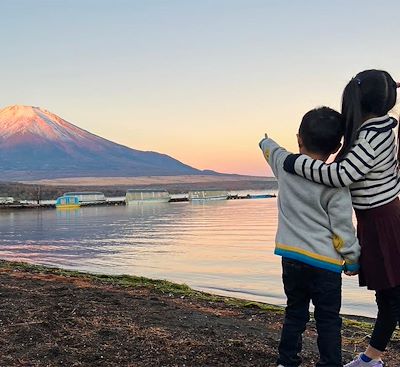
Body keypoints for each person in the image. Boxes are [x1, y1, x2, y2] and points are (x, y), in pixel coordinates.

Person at [283, 70, 400, 367]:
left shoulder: (372, 134)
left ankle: (372, 359)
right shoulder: (376, 127)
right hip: (379, 217)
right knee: (388, 294)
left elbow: (341, 175)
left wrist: (294, 163)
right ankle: (372, 357)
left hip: (381, 220)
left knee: (392, 294)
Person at [259, 107, 360, 367]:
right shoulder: (336, 183)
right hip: (324, 265)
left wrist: (264, 140)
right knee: (328, 319)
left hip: (291, 258)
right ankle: (330, 363)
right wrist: (352, 259)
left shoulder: (284, 164)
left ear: (299, 139)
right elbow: (342, 227)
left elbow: (270, 148)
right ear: (337, 146)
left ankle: (287, 361)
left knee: (295, 313)